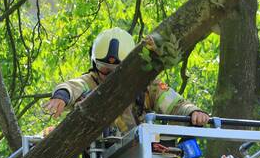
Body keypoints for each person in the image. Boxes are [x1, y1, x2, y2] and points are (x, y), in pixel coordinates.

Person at [42, 27, 209, 133]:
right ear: (94, 64)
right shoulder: (91, 82)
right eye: (103, 68)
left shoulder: (148, 86)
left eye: (116, 71)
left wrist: (193, 112)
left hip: (142, 157)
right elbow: (72, 86)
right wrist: (61, 97)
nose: (108, 76)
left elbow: (175, 104)